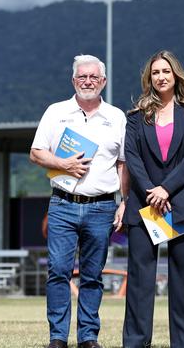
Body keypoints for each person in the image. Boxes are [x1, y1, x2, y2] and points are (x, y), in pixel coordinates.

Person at [30, 54, 128, 348]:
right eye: (82, 77)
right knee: (58, 270)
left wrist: (124, 202)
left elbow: (123, 163)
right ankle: (58, 337)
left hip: (102, 206)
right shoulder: (55, 112)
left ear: (104, 82)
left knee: (93, 274)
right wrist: (64, 163)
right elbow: (36, 153)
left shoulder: (116, 117)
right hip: (63, 204)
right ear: (73, 81)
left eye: (93, 77)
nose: (88, 81)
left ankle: (88, 336)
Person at [122, 50, 184, 348]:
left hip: (181, 202)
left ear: (175, 76)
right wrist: (151, 190)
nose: (161, 77)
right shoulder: (134, 118)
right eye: (155, 72)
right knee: (140, 280)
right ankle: (135, 341)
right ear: (149, 78)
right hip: (144, 203)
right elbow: (131, 157)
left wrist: (166, 189)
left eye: (166, 72)